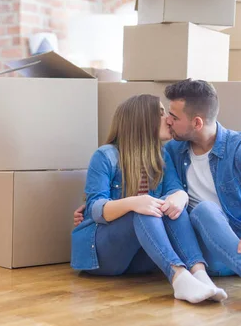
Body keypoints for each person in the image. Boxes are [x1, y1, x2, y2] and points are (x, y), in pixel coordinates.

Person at [71, 94, 227, 304]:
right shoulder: (106, 155)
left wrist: (179, 196)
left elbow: (173, 190)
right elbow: (96, 209)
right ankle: (179, 277)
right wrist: (135, 202)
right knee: (145, 210)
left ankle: (199, 274)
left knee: (172, 207)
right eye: (162, 113)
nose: (169, 119)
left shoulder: (162, 157)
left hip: (142, 260)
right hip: (103, 256)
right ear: (143, 119)